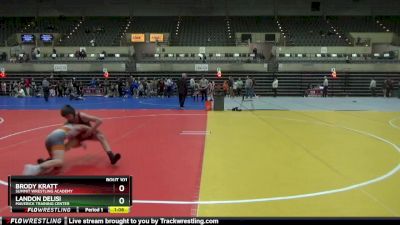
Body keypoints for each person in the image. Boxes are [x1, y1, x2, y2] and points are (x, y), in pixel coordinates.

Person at [23, 123, 92, 175]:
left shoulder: (69, 127)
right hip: (56, 138)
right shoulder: (80, 127)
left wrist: (81, 143)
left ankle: (43, 165)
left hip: (49, 139)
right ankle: (33, 168)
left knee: (56, 163)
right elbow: (91, 130)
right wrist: (91, 132)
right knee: (59, 161)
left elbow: (69, 145)